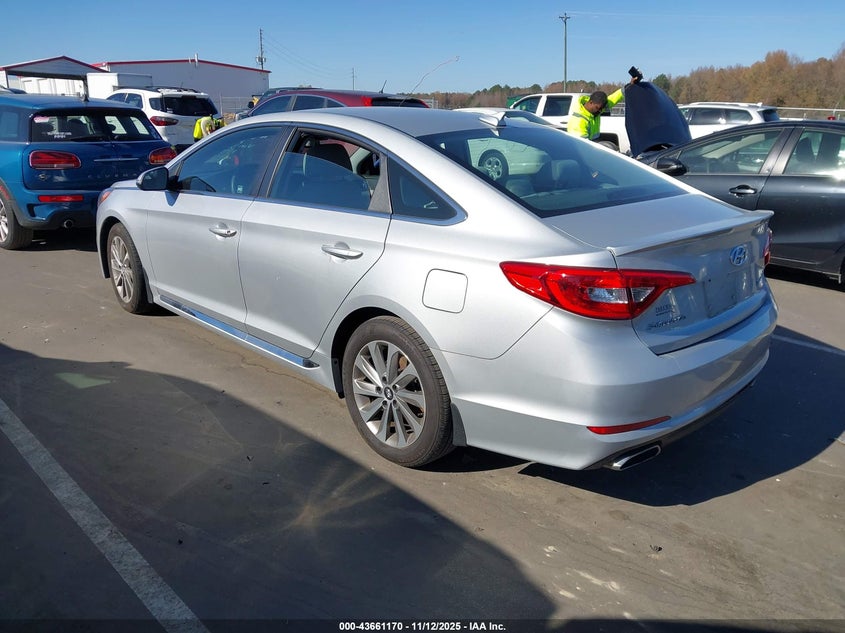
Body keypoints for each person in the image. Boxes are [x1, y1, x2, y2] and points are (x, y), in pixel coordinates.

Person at [567, 73, 641, 149]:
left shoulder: (595, 110)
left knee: (611, 148)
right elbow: (582, 147)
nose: (600, 111)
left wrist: (630, 85)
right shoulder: (579, 121)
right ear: (591, 102)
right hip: (581, 149)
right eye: (598, 108)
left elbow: (614, 98)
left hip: (592, 143)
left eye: (602, 108)